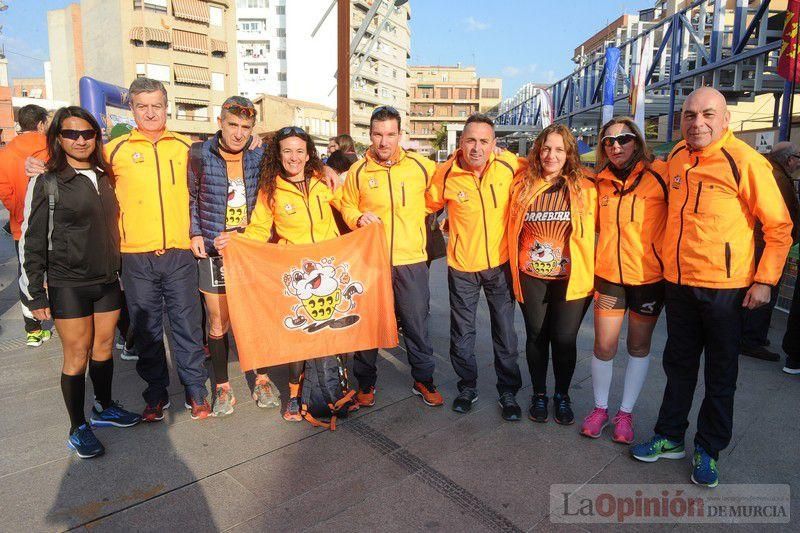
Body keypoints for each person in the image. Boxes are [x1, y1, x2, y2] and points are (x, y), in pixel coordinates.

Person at [631, 87, 793, 488]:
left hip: (727, 288)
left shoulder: (747, 162)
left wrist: (765, 280)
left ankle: (709, 447)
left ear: (725, 120)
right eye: (689, 115)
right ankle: (670, 436)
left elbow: (779, 227)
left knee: (721, 374)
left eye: (707, 114)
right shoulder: (677, 160)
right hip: (680, 285)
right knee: (678, 366)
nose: (697, 122)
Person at [19, 106, 140, 459]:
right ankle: (77, 427)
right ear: (58, 137)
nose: (81, 139)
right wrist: (33, 293)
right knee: (76, 355)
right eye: (71, 134)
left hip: (106, 281)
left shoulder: (105, 175)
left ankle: (104, 408)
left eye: (87, 133)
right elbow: (32, 238)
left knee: (103, 349)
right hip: (66, 283)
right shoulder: (47, 181)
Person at [215, 126, 342, 421]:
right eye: (287, 151)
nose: (294, 157)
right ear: (279, 154)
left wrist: (361, 218)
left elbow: (346, 206)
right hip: (295, 275)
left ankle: (330, 392)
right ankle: (295, 397)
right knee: (297, 339)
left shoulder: (322, 181)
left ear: (309, 153)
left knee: (329, 337)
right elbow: (259, 228)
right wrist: (237, 239)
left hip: (328, 268)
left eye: (299, 151)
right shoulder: (270, 189)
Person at [105, 78, 213, 422]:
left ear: (166, 107)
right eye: (142, 106)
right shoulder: (114, 150)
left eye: (156, 106)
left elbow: (229, 161)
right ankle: (155, 394)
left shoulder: (187, 148)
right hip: (135, 256)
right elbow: (75, 168)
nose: (150, 113)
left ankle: (196, 391)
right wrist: (39, 166)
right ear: (132, 109)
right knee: (147, 330)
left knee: (187, 326)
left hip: (181, 253)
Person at [340, 106, 442, 408]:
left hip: (411, 260)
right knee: (369, 323)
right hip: (371, 261)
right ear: (370, 135)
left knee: (416, 324)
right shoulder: (358, 171)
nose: (384, 142)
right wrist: (358, 217)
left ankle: (423, 379)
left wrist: (415, 219)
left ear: (400, 134)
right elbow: (346, 206)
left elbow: (436, 198)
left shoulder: (422, 167)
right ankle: (366, 383)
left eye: (390, 134)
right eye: (377, 134)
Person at [426, 114, 523, 420]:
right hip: (462, 267)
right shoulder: (447, 173)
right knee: (462, 333)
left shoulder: (510, 165)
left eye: (484, 141)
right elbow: (424, 202)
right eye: (471, 140)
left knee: (505, 332)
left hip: (500, 264)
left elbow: (550, 169)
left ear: (495, 145)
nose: (477, 148)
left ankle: (509, 391)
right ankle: (468, 385)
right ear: (461, 143)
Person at [189, 96, 281, 417]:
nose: (239, 134)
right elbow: (190, 196)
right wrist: (195, 231)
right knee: (219, 321)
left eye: (245, 127)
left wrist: (326, 170)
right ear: (219, 122)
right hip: (215, 250)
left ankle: (263, 378)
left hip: (251, 250)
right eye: (233, 125)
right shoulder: (199, 154)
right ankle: (222, 386)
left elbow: (296, 156)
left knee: (257, 317)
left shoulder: (260, 154)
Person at [581, 117, 668, 444]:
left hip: (648, 278)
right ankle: (601, 409)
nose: (616, 146)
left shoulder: (660, 175)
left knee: (637, 345)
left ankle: (625, 414)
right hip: (608, 278)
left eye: (624, 139)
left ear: (638, 141)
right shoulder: (596, 181)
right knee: (603, 345)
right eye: (608, 141)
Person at [507, 123, 596, 425]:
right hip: (531, 275)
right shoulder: (522, 184)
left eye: (559, 149)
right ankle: (539, 394)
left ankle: (562, 395)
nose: (551, 155)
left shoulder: (586, 187)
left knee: (564, 339)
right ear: (537, 150)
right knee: (536, 336)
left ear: (569, 153)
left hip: (571, 279)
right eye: (546, 148)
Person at [739, 141, 800, 361]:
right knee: (764, 293)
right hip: (767, 246)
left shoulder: (771, 172)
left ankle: (751, 336)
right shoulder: (776, 177)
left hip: (762, 244)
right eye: (797, 159)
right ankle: (751, 338)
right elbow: (778, 220)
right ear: (789, 159)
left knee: (759, 292)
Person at [0, 104, 53, 347]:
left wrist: (20, 213)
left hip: (21, 226)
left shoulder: (6, 153)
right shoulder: (53, 147)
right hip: (53, 226)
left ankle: (33, 330)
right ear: (42, 124)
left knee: (26, 274)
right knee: (57, 271)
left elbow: (4, 191)